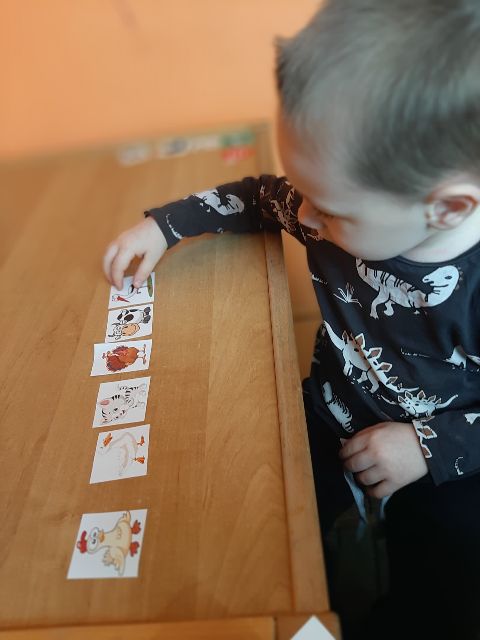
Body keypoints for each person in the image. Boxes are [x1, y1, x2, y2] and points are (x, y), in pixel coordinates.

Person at [103, 1, 480, 637]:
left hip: (450, 461)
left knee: (447, 586)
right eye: (302, 191)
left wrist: (428, 446)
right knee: (255, 525)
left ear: (446, 209)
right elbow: (257, 196)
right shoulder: (338, 205)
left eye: (328, 209)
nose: (302, 217)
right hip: (330, 411)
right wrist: (166, 226)